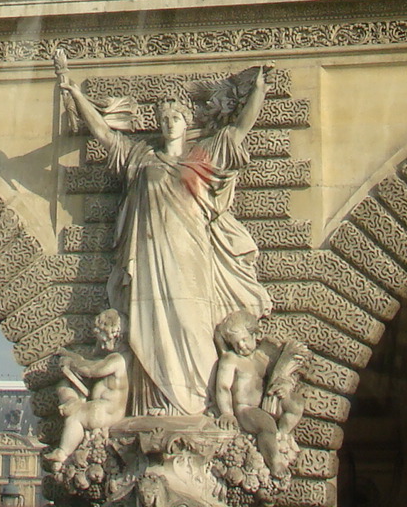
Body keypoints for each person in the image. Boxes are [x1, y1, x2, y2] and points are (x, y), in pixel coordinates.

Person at [54, 48, 272, 416]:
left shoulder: (202, 155)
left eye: (176, 117)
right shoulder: (141, 158)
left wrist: (260, 92)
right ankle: (151, 407)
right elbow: (105, 134)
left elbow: (238, 130)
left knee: (193, 326)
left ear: (187, 123)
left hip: (191, 255)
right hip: (148, 256)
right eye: (165, 117)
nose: (170, 122)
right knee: (148, 325)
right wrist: (75, 94)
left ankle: (197, 406)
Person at [210, 310, 305, 470]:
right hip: (245, 410)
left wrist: (284, 388)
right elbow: (223, 387)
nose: (241, 346)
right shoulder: (231, 359)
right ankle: (275, 464)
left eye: (244, 340)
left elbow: (282, 376)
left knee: (297, 403)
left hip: (264, 405)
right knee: (266, 424)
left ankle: (282, 435)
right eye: (236, 343)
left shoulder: (263, 359)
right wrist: (227, 413)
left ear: (254, 334)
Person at [47, 307, 131, 465]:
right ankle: (71, 401)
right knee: (63, 385)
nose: (103, 345)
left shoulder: (118, 359)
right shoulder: (110, 356)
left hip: (107, 411)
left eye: (105, 339)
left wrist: (72, 363)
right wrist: (70, 355)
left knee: (76, 417)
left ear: (117, 336)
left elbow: (92, 370)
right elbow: (88, 362)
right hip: (101, 408)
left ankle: (63, 451)